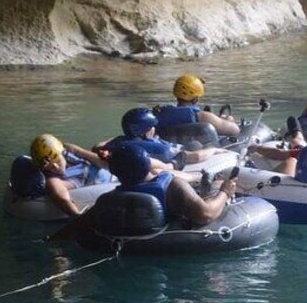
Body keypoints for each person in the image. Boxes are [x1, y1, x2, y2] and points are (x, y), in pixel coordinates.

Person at [109, 143, 237, 225]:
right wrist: (225, 192)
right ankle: (214, 185)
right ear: (147, 162)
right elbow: (205, 214)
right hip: (167, 248)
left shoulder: (113, 197)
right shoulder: (173, 186)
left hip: (132, 250)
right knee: (218, 185)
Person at [100, 107, 231, 170]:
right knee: (195, 145)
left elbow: (99, 146)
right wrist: (213, 150)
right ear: (145, 131)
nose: (154, 129)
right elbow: (195, 157)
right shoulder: (158, 149)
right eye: (152, 127)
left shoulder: (116, 142)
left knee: (194, 144)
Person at [18, 133, 111, 218]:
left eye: (57, 161)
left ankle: (121, 139)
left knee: (98, 147)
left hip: (99, 170)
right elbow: (63, 199)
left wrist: (112, 162)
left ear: (62, 153)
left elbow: (97, 160)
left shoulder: (68, 149)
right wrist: (78, 216)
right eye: (49, 166)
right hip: (92, 180)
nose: (55, 167)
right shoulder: (53, 181)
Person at [154, 75, 240, 137]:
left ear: (176, 95)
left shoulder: (161, 113)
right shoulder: (203, 116)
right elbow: (235, 130)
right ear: (195, 99)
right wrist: (228, 119)